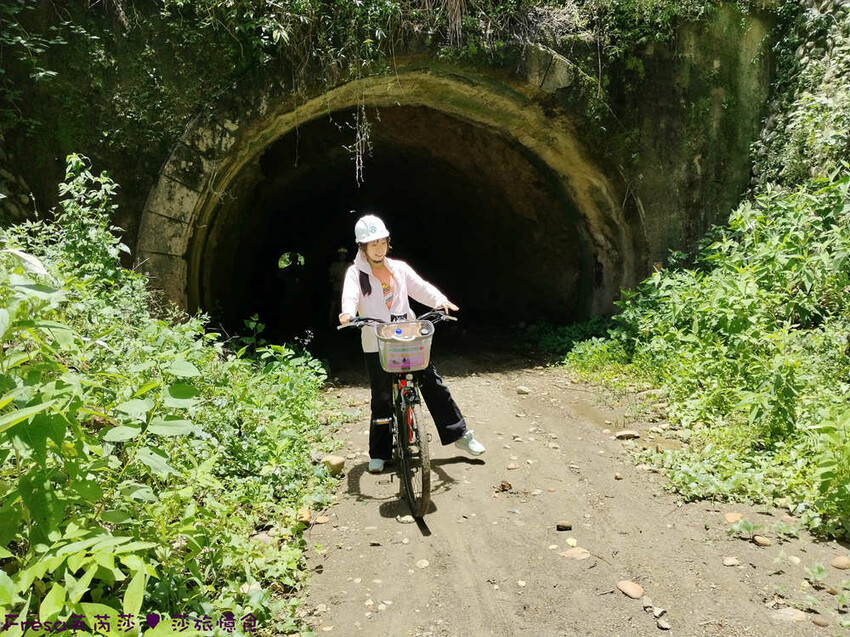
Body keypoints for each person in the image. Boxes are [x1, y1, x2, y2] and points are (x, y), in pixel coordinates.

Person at [339, 214, 485, 473]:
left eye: (382, 242)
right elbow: (350, 296)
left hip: (407, 338)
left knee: (433, 383)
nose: (379, 248)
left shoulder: (399, 268)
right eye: (373, 244)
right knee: (382, 398)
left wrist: (440, 300)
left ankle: (460, 435)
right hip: (376, 343)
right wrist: (348, 313)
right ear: (362, 246)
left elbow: (421, 288)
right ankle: (380, 452)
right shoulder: (355, 274)